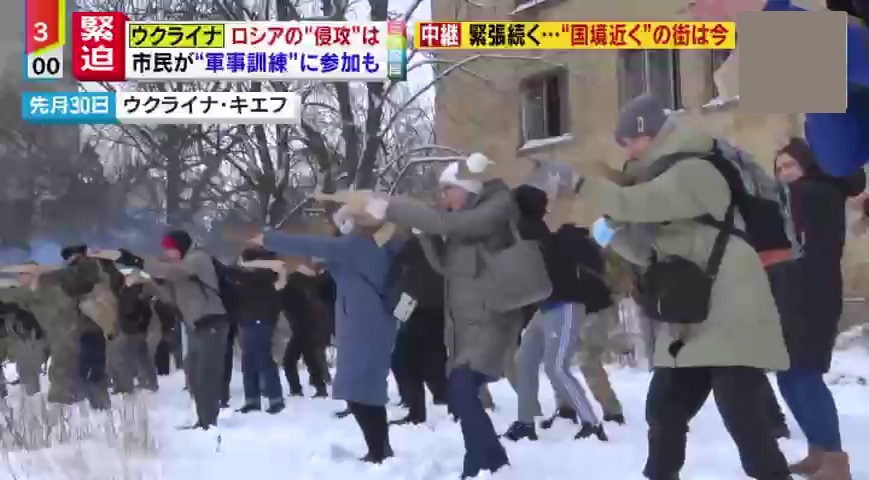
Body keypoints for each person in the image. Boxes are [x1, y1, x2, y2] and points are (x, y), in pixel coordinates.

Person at [572, 95, 791, 479]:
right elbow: (650, 253)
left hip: (731, 305)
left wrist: (579, 184)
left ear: (650, 133)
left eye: (629, 141)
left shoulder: (695, 169)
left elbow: (637, 202)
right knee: (663, 410)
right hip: (691, 314)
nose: (627, 151)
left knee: (742, 417)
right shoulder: (660, 177)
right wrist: (614, 236)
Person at [325, 155, 527, 479]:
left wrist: (392, 209)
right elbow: (437, 263)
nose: (442, 197)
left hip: (473, 313)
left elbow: (444, 230)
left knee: (450, 379)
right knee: (433, 372)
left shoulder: (488, 214)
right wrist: (422, 234)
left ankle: (477, 459)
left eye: (447, 189)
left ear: (466, 188)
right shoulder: (446, 230)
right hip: (446, 313)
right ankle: (488, 455)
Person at [252, 207, 399, 464]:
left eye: (342, 223)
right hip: (370, 323)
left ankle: (378, 452)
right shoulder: (374, 247)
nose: (338, 228)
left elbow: (309, 244)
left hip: (363, 326)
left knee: (358, 393)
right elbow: (328, 263)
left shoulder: (355, 246)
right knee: (366, 390)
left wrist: (269, 238)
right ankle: (381, 450)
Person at [770, 137, 861, 479]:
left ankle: (835, 460)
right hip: (790, 293)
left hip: (814, 296)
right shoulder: (797, 196)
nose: (784, 173)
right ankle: (818, 451)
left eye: (790, 165)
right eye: (779, 168)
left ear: (808, 166)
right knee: (788, 375)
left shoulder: (817, 193)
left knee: (805, 375)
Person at [503, 185, 607, 442]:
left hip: (565, 306)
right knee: (524, 360)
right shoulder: (531, 229)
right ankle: (525, 422)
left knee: (556, 367)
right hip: (545, 308)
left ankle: (592, 424)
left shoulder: (531, 230)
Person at [112, 230, 229, 430]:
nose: (167, 253)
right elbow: (169, 297)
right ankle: (203, 418)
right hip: (196, 325)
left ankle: (209, 422)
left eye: (170, 249)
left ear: (181, 246)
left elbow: (172, 272)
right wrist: (150, 282)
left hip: (212, 322)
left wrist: (139, 261)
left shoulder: (197, 259)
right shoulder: (181, 267)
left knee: (206, 373)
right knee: (193, 372)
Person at [543, 227, 626, 429]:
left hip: (588, 310)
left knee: (581, 362)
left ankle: (609, 411)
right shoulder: (588, 248)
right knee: (574, 363)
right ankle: (596, 410)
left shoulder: (557, 249)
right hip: (591, 309)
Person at [389, 233, 448, 425]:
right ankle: (441, 402)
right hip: (428, 306)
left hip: (420, 306)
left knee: (405, 362)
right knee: (427, 362)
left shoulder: (420, 240)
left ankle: (423, 408)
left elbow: (396, 260)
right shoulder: (436, 241)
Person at [234, 246, 286, 414]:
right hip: (249, 320)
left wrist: (247, 265)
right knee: (249, 360)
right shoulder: (249, 278)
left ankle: (274, 399)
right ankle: (253, 400)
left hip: (261, 320)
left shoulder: (265, 276)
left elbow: (278, 269)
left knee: (262, 359)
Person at [281, 259, 330, 398]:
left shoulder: (292, 287)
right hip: (308, 326)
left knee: (290, 360)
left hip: (301, 327)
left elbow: (285, 303)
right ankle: (319, 387)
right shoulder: (308, 285)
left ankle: (297, 389)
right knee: (309, 358)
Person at [112, 272, 158, 392]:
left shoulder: (130, 293)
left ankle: (128, 386)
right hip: (138, 329)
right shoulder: (141, 293)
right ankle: (150, 382)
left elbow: (127, 310)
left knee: (125, 358)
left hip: (130, 330)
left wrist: (133, 323)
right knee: (142, 357)